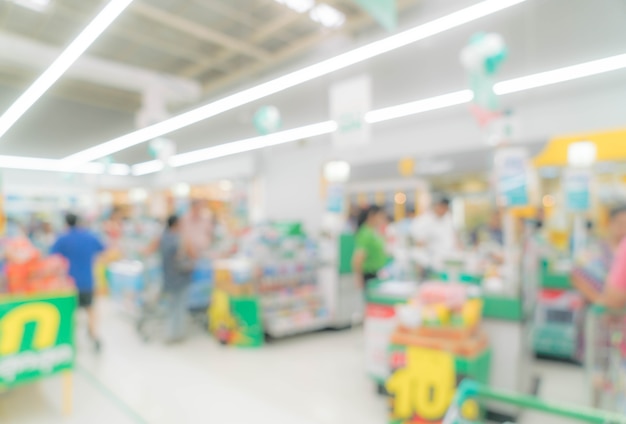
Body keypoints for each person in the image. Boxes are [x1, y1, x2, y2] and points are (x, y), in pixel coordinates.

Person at [51, 213, 105, 352]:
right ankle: (94, 336)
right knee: (90, 309)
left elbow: (52, 257)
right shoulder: (89, 237)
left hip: (68, 283)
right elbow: (103, 249)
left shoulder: (62, 239)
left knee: (71, 312)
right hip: (87, 280)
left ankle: (72, 340)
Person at [572, 207, 626, 304]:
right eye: (620, 223)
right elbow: (577, 274)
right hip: (599, 311)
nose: (623, 229)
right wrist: (598, 300)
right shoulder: (595, 249)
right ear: (610, 223)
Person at [160, 215, 194, 343]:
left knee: (171, 307)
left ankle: (170, 333)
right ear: (176, 224)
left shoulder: (162, 238)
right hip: (181, 277)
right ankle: (177, 333)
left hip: (168, 277)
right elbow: (192, 254)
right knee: (180, 307)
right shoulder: (180, 239)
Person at [411, 196, 457, 270]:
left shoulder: (448, 219)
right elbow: (418, 242)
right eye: (442, 207)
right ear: (437, 206)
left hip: (448, 258)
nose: (443, 210)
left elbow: (453, 237)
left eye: (446, 208)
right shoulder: (423, 221)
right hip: (431, 262)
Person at [352, 205, 389, 288]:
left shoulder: (373, 231)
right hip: (369, 274)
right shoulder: (365, 233)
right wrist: (359, 278)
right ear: (372, 215)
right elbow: (358, 258)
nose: (382, 218)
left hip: (377, 272)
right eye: (380, 215)